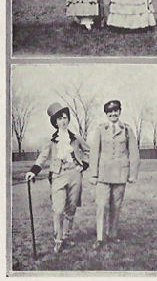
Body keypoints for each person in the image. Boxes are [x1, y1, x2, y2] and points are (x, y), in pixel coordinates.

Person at [25, 103, 90, 253]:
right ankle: (58, 240)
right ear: (55, 122)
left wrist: (84, 165)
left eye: (65, 117)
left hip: (75, 175)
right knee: (58, 209)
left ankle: (66, 237)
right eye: (60, 118)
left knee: (71, 208)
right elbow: (43, 157)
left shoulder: (76, 138)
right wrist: (33, 171)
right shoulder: (51, 140)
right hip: (58, 176)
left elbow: (88, 151)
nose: (63, 120)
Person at [88, 100, 140, 249]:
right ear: (106, 114)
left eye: (116, 111)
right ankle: (100, 237)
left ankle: (113, 234)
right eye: (110, 112)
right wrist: (93, 174)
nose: (113, 114)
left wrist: (132, 174)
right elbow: (94, 153)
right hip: (103, 174)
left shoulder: (127, 130)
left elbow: (134, 153)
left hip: (120, 173)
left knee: (116, 206)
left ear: (120, 112)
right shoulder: (100, 129)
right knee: (101, 205)